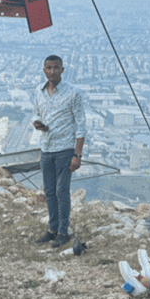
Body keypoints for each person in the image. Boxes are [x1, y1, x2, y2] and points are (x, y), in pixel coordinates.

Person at [32, 55, 87, 248]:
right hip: (46, 147)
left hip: (65, 149)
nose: (52, 71)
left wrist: (77, 155)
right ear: (44, 70)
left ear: (62, 70)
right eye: (48, 68)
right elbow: (38, 113)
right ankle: (52, 229)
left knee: (62, 191)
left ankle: (63, 231)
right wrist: (39, 125)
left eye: (56, 68)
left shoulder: (74, 93)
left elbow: (81, 125)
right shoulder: (39, 91)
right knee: (49, 192)